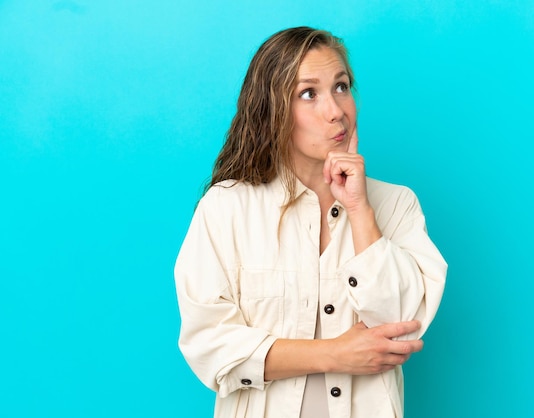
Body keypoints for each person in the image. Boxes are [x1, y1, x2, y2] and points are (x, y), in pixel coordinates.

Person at [174, 26, 447, 418]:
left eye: (341, 86)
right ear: (274, 109)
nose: (336, 110)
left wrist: (359, 210)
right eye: (309, 93)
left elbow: (404, 324)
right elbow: (209, 345)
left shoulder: (396, 205)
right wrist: (335, 354)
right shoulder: (226, 208)